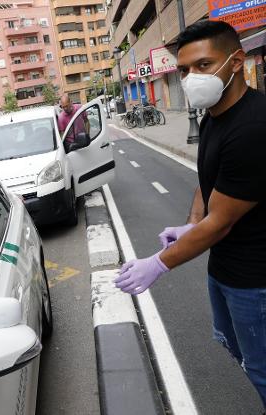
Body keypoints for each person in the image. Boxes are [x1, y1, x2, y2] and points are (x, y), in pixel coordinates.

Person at [114, 20, 266, 408]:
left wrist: (159, 264)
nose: (190, 77)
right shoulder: (214, 117)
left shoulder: (252, 127)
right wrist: (191, 223)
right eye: (183, 70)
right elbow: (208, 180)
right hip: (226, 272)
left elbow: (222, 221)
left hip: (255, 283)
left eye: (202, 65)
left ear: (236, 62)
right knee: (240, 354)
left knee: (263, 372)